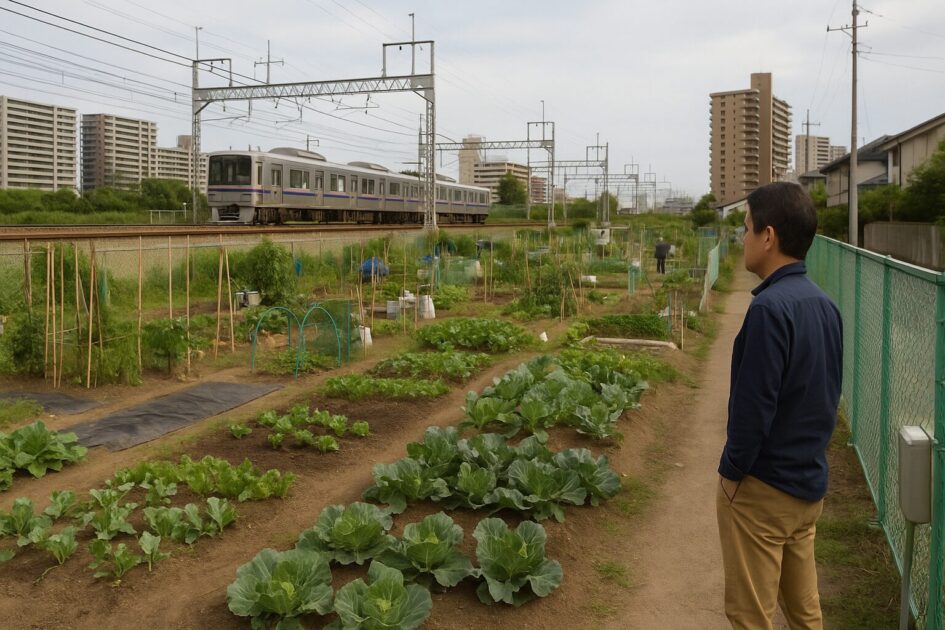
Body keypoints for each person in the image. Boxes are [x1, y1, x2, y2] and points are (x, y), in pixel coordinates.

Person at [716, 182, 842, 630]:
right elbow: (826, 395)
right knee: (805, 612)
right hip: (807, 485)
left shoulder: (769, 309)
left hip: (763, 491)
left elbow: (753, 412)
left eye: (747, 228)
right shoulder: (824, 305)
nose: (743, 238)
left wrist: (732, 473)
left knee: (752, 616)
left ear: (768, 237)